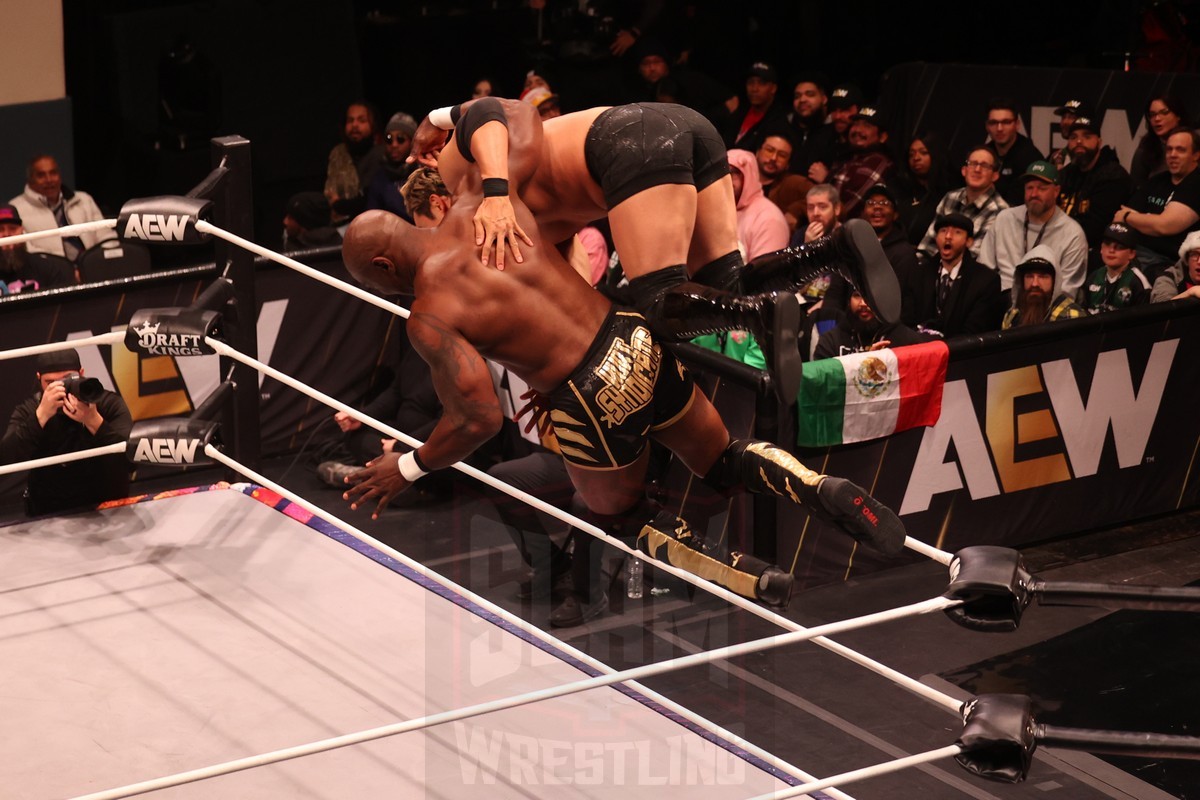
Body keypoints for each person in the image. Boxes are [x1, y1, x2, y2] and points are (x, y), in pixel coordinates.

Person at [338, 191, 906, 623]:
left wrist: (408, 467)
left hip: (585, 392)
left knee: (613, 511)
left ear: (386, 269)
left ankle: (739, 573)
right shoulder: (478, 207)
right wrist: (450, 121)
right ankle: (816, 486)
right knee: (718, 457)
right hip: (628, 332)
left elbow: (478, 419)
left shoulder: (430, 312)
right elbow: (502, 116)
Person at [409, 97, 900, 402]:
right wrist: (553, 387)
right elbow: (571, 306)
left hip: (627, 143)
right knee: (719, 286)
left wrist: (450, 136)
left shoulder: (461, 176)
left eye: (428, 226)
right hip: (686, 129)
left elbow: (492, 111)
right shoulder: (526, 233)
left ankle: (760, 318)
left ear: (436, 200)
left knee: (661, 305)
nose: (441, 245)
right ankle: (834, 253)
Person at [0, 349, 131, 516]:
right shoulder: (29, 411)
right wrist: (41, 416)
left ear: (82, 373)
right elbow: (6, 458)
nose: (61, 389)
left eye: (68, 379)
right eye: (51, 383)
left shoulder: (107, 404)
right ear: (39, 379)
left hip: (107, 506)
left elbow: (129, 460)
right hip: (48, 511)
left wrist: (93, 421)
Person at [981, 161, 1088, 302]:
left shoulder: (1072, 234)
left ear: (1056, 191)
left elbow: (1066, 293)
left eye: (1042, 188)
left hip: (1044, 307)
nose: (1034, 194)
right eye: (1029, 188)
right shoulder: (1004, 219)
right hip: (1000, 303)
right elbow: (983, 270)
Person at [903, 213, 1004, 338]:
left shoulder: (985, 280)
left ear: (969, 241)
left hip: (963, 353)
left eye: (957, 232)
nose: (948, 236)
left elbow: (977, 331)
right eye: (943, 231)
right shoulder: (918, 274)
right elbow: (907, 322)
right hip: (920, 350)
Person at [1117, 127, 1200, 278]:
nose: (1172, 155)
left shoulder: (1196, 183)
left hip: (1170, 262)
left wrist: (1129, 216)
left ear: (1196, 155)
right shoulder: (1157, 180)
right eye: (1169, 150)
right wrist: (1149, 221)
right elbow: (1118, 219)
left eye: (1180, 150)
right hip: (1135, 253)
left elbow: (1165, 226)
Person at [1056, 114, 1133, 264]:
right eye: (1073, 137)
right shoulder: (1066, 174)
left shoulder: (1113, 176)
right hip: (1063, 245)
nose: (1079, 141)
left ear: (1099, 141)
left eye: (1087, 136)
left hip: (1099, 252)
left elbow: (1095, 229)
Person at [8, 154, 116, 262]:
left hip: (92, 265)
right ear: (30, 179)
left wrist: (103, 262)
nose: (49, 179)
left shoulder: (84, 199)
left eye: (53, 173)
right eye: (41, 175)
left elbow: (106, 236)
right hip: (49, 273)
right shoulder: (15, 208)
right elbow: (26, 251)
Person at [916, 145, 1008, 260]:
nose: (977, 170)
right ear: (964, 170)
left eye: (984, 166)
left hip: (969, 274)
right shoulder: (950, 197)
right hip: (935, 269)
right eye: (973, 164)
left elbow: (972, 259)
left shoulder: (1000, 211)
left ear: (995, 176)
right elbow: (929, 244)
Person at [828, 106, 895, 222]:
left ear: (882, 137)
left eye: (867, 126)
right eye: (855, 124)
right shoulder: (848, 158)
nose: (858, 130)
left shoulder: (877, 162)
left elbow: (846, 207)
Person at [324, 101, 386, 224]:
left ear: (373, 125)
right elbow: (330, 193)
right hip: (340, 220)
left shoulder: (381, 154)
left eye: (362, 121)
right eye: (350, 121)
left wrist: (342, 205)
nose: (355, 125)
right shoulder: (338, 153)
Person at [1001, 246, 1088, 329]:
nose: (1035, 284)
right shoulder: (1012, 316)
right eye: (1029, 276)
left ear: (1055, 281)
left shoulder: (1072, 316)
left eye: (1042, 277)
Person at [727, 148, 789, 260]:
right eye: (722, 173)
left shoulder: (769, 218)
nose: (726, 179)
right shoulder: (717, 210)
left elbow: (764, 273)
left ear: (748, 176)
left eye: (733, 173)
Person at [0, 204, 77, 292]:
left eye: (13, 228)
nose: (6, 234)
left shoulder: (47, 269)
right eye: (0, 229)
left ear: (22, 230)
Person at [984, 98, 1045, 207]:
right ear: (987, 126)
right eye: (993, 123)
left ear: (1017, 124)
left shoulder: (1031, 158)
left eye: (1006, 122)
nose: (999, 128)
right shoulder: (983, 154)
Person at [893, 131, 950, 247]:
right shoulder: (899, 187)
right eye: (911, 154)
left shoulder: (949, 193)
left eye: (923, 153)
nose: (916, 158)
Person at [1079, 222, 1150, 314]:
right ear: (1101, 248)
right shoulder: (1094, 277)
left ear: (1132, 254)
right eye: (1107, 244)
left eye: (1120, 247)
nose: (1111, 250)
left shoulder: (1139, 284)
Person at [723, 62, 789, 154]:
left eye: (762, 83)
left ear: (773, 88)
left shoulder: (779, 122)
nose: (754, 89)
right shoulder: (739, 113)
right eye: (751, 82)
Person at [1130, 93, 1193, 187]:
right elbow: (1136, 186)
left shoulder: (1195, 140)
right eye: (1152, 114)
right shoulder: (1145, 148)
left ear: (1178, 115)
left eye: (1164, 112)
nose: (1157, 118)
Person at [861, 183, 918, 285]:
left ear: (895, 215)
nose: (877, 207)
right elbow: (836, 291)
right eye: (871, 203)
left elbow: (904, 296)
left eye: (885, 203)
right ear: (863, 213)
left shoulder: (904, 253)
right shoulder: (851, 246)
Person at [364, 112, 418, 218]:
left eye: (400, 139)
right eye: (389, 139)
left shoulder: (424, 173)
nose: (394, 144)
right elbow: (371, 216)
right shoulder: (379, 177)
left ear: (412, 142)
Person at [785, 74, 837, 178]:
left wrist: (827, 178)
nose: (802, 99)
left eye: (810, 94)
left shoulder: (835, 133)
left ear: (824, 99)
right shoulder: (784, 127)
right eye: (797, 96)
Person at [1151, 230, 1200, 302]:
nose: (1199, 261)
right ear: (1186, 259)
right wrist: (1190, 292)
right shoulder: (1168, 280)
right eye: (1194, 254)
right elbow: (1162, 311)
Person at [1048, 99, 1088, 169]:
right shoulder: (1057, 157)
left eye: (1071, 117)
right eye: (1063, 117)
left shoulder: (1096, 159)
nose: (1065, 122)